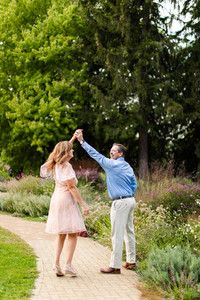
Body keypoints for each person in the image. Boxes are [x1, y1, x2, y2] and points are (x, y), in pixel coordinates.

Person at [74, 129, 137, 274]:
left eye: (114, 151)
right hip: (130, 200)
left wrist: (82, 141)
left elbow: (95, 154)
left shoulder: (112, 165)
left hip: (120, 203)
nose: (111, 152)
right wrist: (130, 194)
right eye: (111, 150)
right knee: (129, 231)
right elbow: (134, 183)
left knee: (117, 233)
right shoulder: (127, 166)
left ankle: (115, 266)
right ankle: (131, 261)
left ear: (120, 153)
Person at [40, 137, 89, 277]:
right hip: (67, 200)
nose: (73, 150)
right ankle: (68, 264)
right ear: (66, 153)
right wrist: (83, 204)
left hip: (57, 199)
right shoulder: (67, 167)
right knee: (72, 233)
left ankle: (56, 265)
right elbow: (72, 188)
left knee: (61, 234)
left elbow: (64, 147)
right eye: (71, 149)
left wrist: (73, 138)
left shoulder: (55, 164)